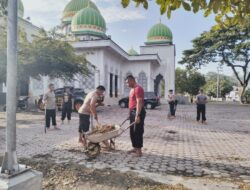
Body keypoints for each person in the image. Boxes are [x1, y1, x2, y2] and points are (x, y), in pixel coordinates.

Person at [126, 75, 146, 157]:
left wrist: (137, 115)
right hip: (133, 112)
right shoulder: (132, 90)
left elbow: (139, 103)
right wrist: (129, 113)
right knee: (132, 131)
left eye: (127, 82)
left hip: (138, 111)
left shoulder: (138, 89)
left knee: (137, 131)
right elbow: (131, 102)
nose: (127, 84)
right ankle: (135, 147)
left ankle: (139, 151)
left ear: (132, 80)